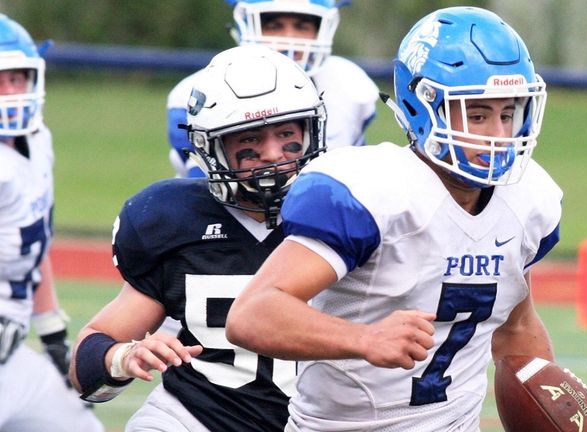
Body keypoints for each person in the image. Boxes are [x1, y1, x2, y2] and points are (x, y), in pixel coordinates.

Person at [226, 6, 563, 431]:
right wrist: (364, 339)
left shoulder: (529, 198)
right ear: (422, 106)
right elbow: (252, 314)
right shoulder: (371, 191)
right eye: (477, 114)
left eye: (508, 113)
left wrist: (549, 403)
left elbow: (516, 327)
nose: (497, 134)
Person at [68, 44, 326, 432]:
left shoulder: (355, 209)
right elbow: (87, 361)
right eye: (250, 139)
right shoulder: (174, 220)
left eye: (287, 133)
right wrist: (124, 356)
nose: (273, 153)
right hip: (198, 417)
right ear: (212, 147)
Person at [0, 14, 103, 432]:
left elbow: (35, 243)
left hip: (12, 360)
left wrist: (54, 338)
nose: (10, 93)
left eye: (18, 78)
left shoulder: (38, 140)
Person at [167, 0, 378, 179]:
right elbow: (205, 191)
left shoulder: (350, 86)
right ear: (245, 25)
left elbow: (354, 180)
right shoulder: (197, 94)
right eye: (275, 26)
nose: (289, 39)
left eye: (302, 26)